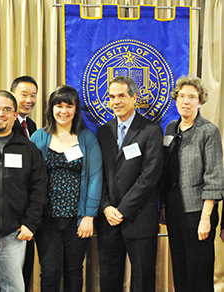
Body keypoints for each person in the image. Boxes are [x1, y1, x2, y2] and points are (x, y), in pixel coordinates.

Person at [30, 85, 102, 292]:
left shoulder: (87, 138)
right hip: (46, 219)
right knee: (50, 271)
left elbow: (96, 178)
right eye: (58, 106)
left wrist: (89, 216)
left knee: (73, 270)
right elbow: (29, 180)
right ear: (51, 109)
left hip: (77, 220)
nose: (63, 111)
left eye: (68, 106)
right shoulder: (38, 138)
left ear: (76, 109)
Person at [0, 90, 47, 292]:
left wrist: (30, 224)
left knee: (14, 288)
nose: (1, 114)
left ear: (15, 115)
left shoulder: (29, 149)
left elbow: (38, 190)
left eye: (7, 110)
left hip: (14, 235)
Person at [96, 76, 164, 292]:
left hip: (139, 218)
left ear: (134, 98)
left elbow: (149, 177)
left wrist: (122, 210)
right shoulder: (103, 131)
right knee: (108, 278)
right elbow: (101, 174)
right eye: (112, 97)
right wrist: (106, 206)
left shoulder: (151, 130)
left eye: (121, 96)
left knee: (143, 280)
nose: (116, 101)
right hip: (109, 220)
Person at [160, 75, 224, 292]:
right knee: (179, 266)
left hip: (198, 210)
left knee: (199, 269)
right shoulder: (170, 128)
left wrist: (206, 218)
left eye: (192, 97)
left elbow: (214, 177)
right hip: (175, 207)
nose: (186, 101)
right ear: (175, 100)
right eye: (181, 97)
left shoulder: (208, 131)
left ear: (200, 102)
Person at [0, 75, 39, 292]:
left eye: (33, 95)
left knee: (23, 270)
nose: (29, 100)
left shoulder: (32, 125)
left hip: (26, 212)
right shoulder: (2, 126)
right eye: (24, 95)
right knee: (1, 274)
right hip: (3, 214)